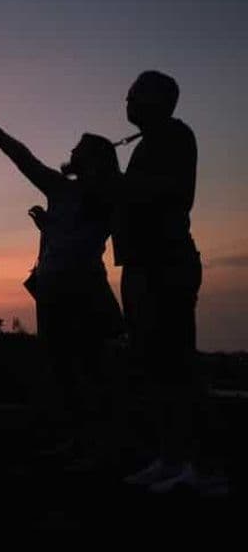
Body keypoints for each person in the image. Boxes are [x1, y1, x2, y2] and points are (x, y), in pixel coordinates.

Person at [0, 110, 123, 461]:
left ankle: (100, 439)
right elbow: (21, 156)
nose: (72, 151)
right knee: (63, 366)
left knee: (87, 364)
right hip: (53, 287)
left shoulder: (108, 195)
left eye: (79, 148)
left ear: (92, 158)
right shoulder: (61, 188)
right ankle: (81, 438)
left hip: (80, 288)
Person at [114, 71, 204, 492]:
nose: (127, 102)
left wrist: (116, 184)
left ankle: (192, 462)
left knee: (174, 364)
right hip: (143, 264)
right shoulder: (150, 143)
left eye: (134, 95)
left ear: (158, 101)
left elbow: (171, 194)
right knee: (153, 366)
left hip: (165, 264)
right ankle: (168, 457)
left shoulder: (175, 138)